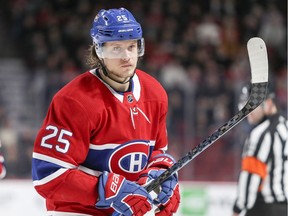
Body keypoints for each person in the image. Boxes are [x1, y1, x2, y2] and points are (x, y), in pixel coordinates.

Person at [32, 7, 180, 216]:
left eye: (131, 46)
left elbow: (156, 152)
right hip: (78, 211)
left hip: (131, 210)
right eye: (116, 49)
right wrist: (109, 189)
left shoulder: (155, 93)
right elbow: (47, 176)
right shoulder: (74, 101)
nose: (126, 56)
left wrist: (161, 174)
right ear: (99, 50)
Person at [232, 84, 288, 216]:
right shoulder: (285, 127)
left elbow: (251, 176)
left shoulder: (260, 134)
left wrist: (237, 209)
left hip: (263, 208)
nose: (246, 113)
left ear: (268, 104)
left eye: (250, 106)